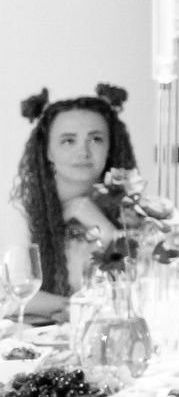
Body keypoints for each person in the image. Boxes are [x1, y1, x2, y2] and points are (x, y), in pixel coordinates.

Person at [2, 85, 137, 317]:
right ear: (47, 151)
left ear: (110, 147)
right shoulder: (22, 212)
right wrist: (77, 309)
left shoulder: (132, 208)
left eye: (96, 139)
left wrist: (104, 228)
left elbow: (148, 286)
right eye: (68, 140)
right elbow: (11, 295)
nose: (83, 152)